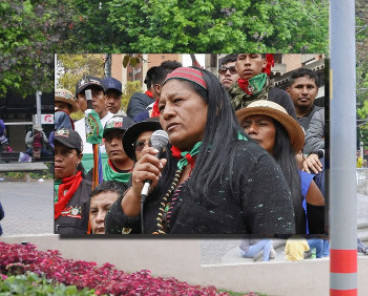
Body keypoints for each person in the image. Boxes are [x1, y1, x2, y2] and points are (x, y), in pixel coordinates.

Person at [105, 66, 295, 235]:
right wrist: (136, 192)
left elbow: (276, 244)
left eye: (177, 101)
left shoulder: (251, 161)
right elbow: (114, 234)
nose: (167, 113)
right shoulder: (158, 165)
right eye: (162, 107)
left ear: (215, 106)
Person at [236, 100, 310, 235]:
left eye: (262, 124)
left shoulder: (304, 183)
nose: (251, 130)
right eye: (246, 125)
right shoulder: (227, 178)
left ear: (280, 134)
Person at [229, 53, 296, 117]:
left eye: (253, 57)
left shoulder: (281, 97)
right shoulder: (226, 97)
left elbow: (291, 127)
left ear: (264, 63)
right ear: (236, 66)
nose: (247, 62)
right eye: (242, 58)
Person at [53, 128, 92, 235]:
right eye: (53, 152)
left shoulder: (91, 192)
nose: (57, 158)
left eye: (65, 152)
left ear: (79, 158)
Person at [74, 76, 114, 173]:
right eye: (85, 96)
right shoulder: (73, 128)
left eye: (96, 94)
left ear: (105, 99)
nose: (90, 99)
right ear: (77, 102)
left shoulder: (118, 123)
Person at [100, 116, 135, 184]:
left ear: (134, 140)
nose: (113, 143)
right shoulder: (96, 175)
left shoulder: (147, 174)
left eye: (120, 137)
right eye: (109, 138)